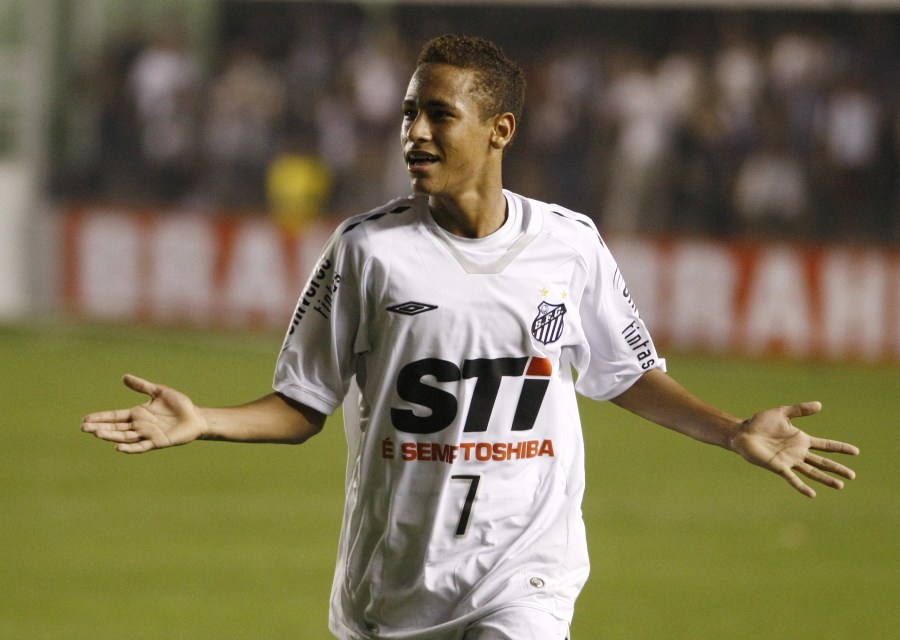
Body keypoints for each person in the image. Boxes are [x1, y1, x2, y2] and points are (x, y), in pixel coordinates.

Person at [82, 35, 859, 640]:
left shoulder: (570, 245)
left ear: (500, 129)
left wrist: (731, 432)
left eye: (438, 115)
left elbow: (623, 372)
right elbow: (302, 406)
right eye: (407, 115)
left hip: (526, 575)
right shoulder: (366, 251)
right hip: (393, 586)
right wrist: (205, 419)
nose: (414, 133)